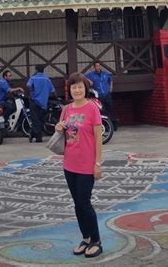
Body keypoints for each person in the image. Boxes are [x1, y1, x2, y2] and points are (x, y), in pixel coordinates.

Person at [55, 72, 103, 259]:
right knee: (77, 204)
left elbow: (98, 138)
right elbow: (62, 130)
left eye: (80, 86)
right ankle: (85, 238)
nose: (76, 89)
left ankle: (96, 241)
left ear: (85, 88)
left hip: (87, 165)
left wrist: (98, 163)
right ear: (70, 89)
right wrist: (58, 126)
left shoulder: (92, 109)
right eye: (73, 87)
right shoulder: (67, 109)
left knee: (84, 202)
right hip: (69, 164)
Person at [27, 64, 55, 143]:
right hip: (43, 103)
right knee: (40, 120)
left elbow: (28, 85)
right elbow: (53, 91)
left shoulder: (33, 78)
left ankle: (37, 137)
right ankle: (33, 134)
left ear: (36, 70)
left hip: (34, 101)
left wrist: (33, 91)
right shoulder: (47, 79)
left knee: (35, 119)